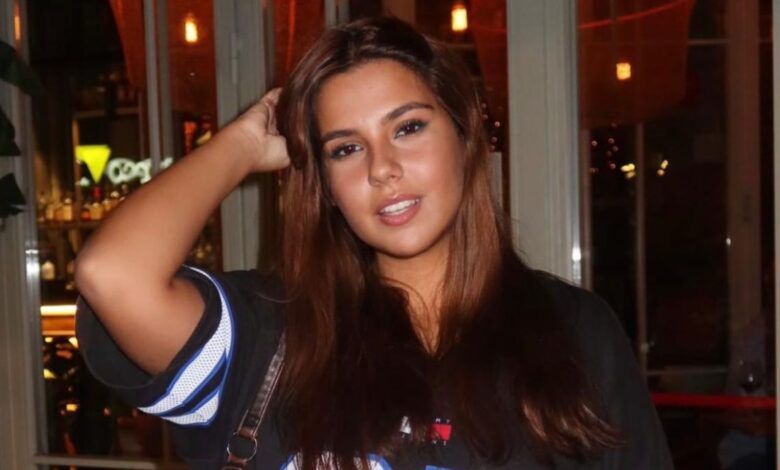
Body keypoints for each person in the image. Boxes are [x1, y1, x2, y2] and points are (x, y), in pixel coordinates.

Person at [74, 17, 673, 469]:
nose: (382, 168)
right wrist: (246, 142)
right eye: (345, 148)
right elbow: (112, 274)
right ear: (326, 184)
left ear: (465, 136)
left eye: (408, 128)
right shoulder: (269, 335)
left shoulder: (574, 331)